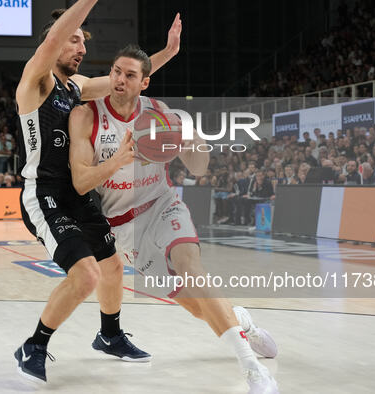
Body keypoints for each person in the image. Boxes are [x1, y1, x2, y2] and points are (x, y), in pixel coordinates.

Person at [69, 45, 279, 394]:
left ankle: (253, 370)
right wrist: (119, 159)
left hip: (163, 205)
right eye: (116, 71)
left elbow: (199, 168)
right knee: (198, 308)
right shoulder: (87, 117)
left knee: (192, 271)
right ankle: (242, 320)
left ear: (145, 83)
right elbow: (80, 183)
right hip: (123, 228)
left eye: (130, 75)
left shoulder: (160, 114)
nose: (119, 79)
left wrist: (190, 138)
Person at [13, 1, 182, 383]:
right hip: (44, 195)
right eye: (74, 40)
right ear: (53, 45)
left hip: (79, 190)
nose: (82, 48)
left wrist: (167, 53)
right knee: (85, 275)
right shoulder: (35, 81)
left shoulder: (78, 87)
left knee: (112, 266)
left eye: (83, 42)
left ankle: (109, 335)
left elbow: (128, 78)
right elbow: (55, 36)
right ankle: (34, 346)